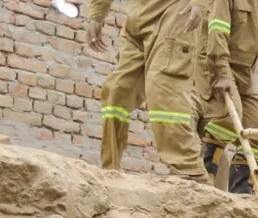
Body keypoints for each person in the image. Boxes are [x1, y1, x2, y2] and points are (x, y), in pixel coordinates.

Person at [87, 0, 209, 183]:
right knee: (116, 91)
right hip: (137, 17)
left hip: (175, 11)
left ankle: (190, 172)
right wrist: (96, 15)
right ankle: (110, 172)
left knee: (163, 88)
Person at [198, 0, 258, 193]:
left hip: (245, 72)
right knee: (227, 119)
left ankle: (242, 195)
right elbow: (217, 29)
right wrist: (223, 73)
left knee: (256, 133)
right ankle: (204, 184)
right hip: (218, 62)